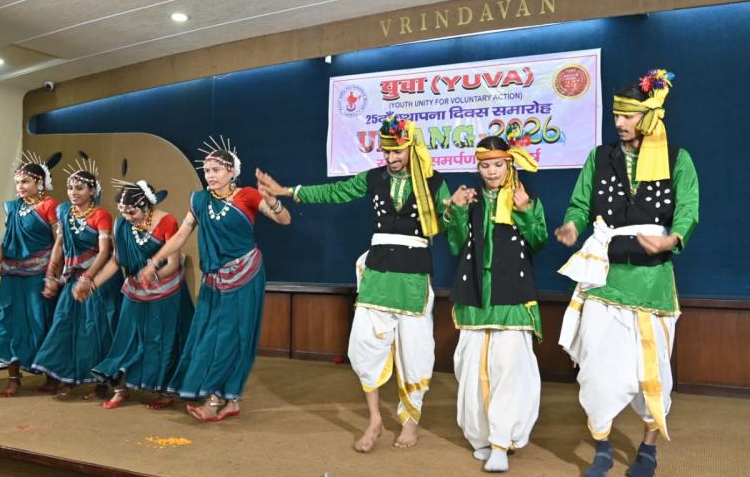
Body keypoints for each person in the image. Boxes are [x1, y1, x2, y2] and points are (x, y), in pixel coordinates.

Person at [257, 115, 452, 452]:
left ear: (411, 147)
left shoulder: (434, 183)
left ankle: (410, 421)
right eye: (386, 151)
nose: (390, 157)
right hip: (378, 272)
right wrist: (287, 191)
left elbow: (447, 226)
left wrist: (453, 211)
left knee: (415, 352)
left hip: (414, 276)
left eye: (397, 151)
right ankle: (375, 420)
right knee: (363, 346)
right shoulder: (374, 178)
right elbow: (336, 191)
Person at [554, 69, 698, 477]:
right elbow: (580, 204)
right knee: (597, 371)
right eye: (616, 115)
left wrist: (672, 239)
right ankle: (602, 444)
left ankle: (648, 449)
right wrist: (572, 225)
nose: (619, 122)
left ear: (649, 116)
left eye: (628, 115)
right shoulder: (600, 157)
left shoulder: (677, 159)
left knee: (653, 373)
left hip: (653, 283)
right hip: (605, 278)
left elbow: (688, 208)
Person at [138, 136, 291, 422]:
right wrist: (155, 262)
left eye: (216, 170)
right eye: (207, 171)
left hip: (245, 275)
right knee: (208, 335)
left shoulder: (247, 196)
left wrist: (273, 202)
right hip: (215, 280)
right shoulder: (199, 201)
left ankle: (216, 399)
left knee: (232, 336)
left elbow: (285, 220)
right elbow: (180, 236)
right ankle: (229, 399)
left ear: (232, 171)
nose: (210, 175)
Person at [446, 133, 547, 472]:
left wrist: (525, 211)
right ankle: (483, 438)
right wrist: (457, 211)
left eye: (498, 165)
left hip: (512, 296)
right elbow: (456, 245)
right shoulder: (471, 200)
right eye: (485, 166)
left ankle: (503, 442)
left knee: (509, 368)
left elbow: (538, 241)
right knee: (471, 370)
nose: (491, 172)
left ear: (509, 164)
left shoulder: (525, 198)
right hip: (475, 296)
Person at [85, 179, 194, 409]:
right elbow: (116, 261)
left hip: (166, 291)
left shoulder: (167, 221)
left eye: (132, 212)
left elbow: (173, 264)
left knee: (161, 342)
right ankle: (120, 389)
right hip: (135, 290)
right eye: (123, 211)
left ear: (146, 206)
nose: (128, 217)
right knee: (125, 340)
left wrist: (152, 275)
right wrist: (92, 285)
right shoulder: (122, 225)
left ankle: (164, 391)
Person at [32, 159, 123, 399]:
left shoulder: (101, 215)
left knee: (96, 330)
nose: (73, 192)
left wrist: (89, 278)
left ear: (92, 191)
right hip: (74, 278)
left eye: (80, 188)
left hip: (99, 280)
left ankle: (101, 384)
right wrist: (51, 275)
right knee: (65, 324)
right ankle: (68, 378)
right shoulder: (64, 211)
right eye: (70, 188)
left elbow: (105, 251)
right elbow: (59, 245)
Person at [0, 152, 60, 397]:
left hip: (38, 274)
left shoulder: (49, 205)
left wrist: (53, 274)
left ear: (40, 182)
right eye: (17, 182)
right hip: (12, 274)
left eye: (25, 182)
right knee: (7, 321)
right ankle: (13, 378)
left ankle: (51, 375)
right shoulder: (14, 207)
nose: (20, 186)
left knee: (40, 321)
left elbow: (59, 243)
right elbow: (8, 241)